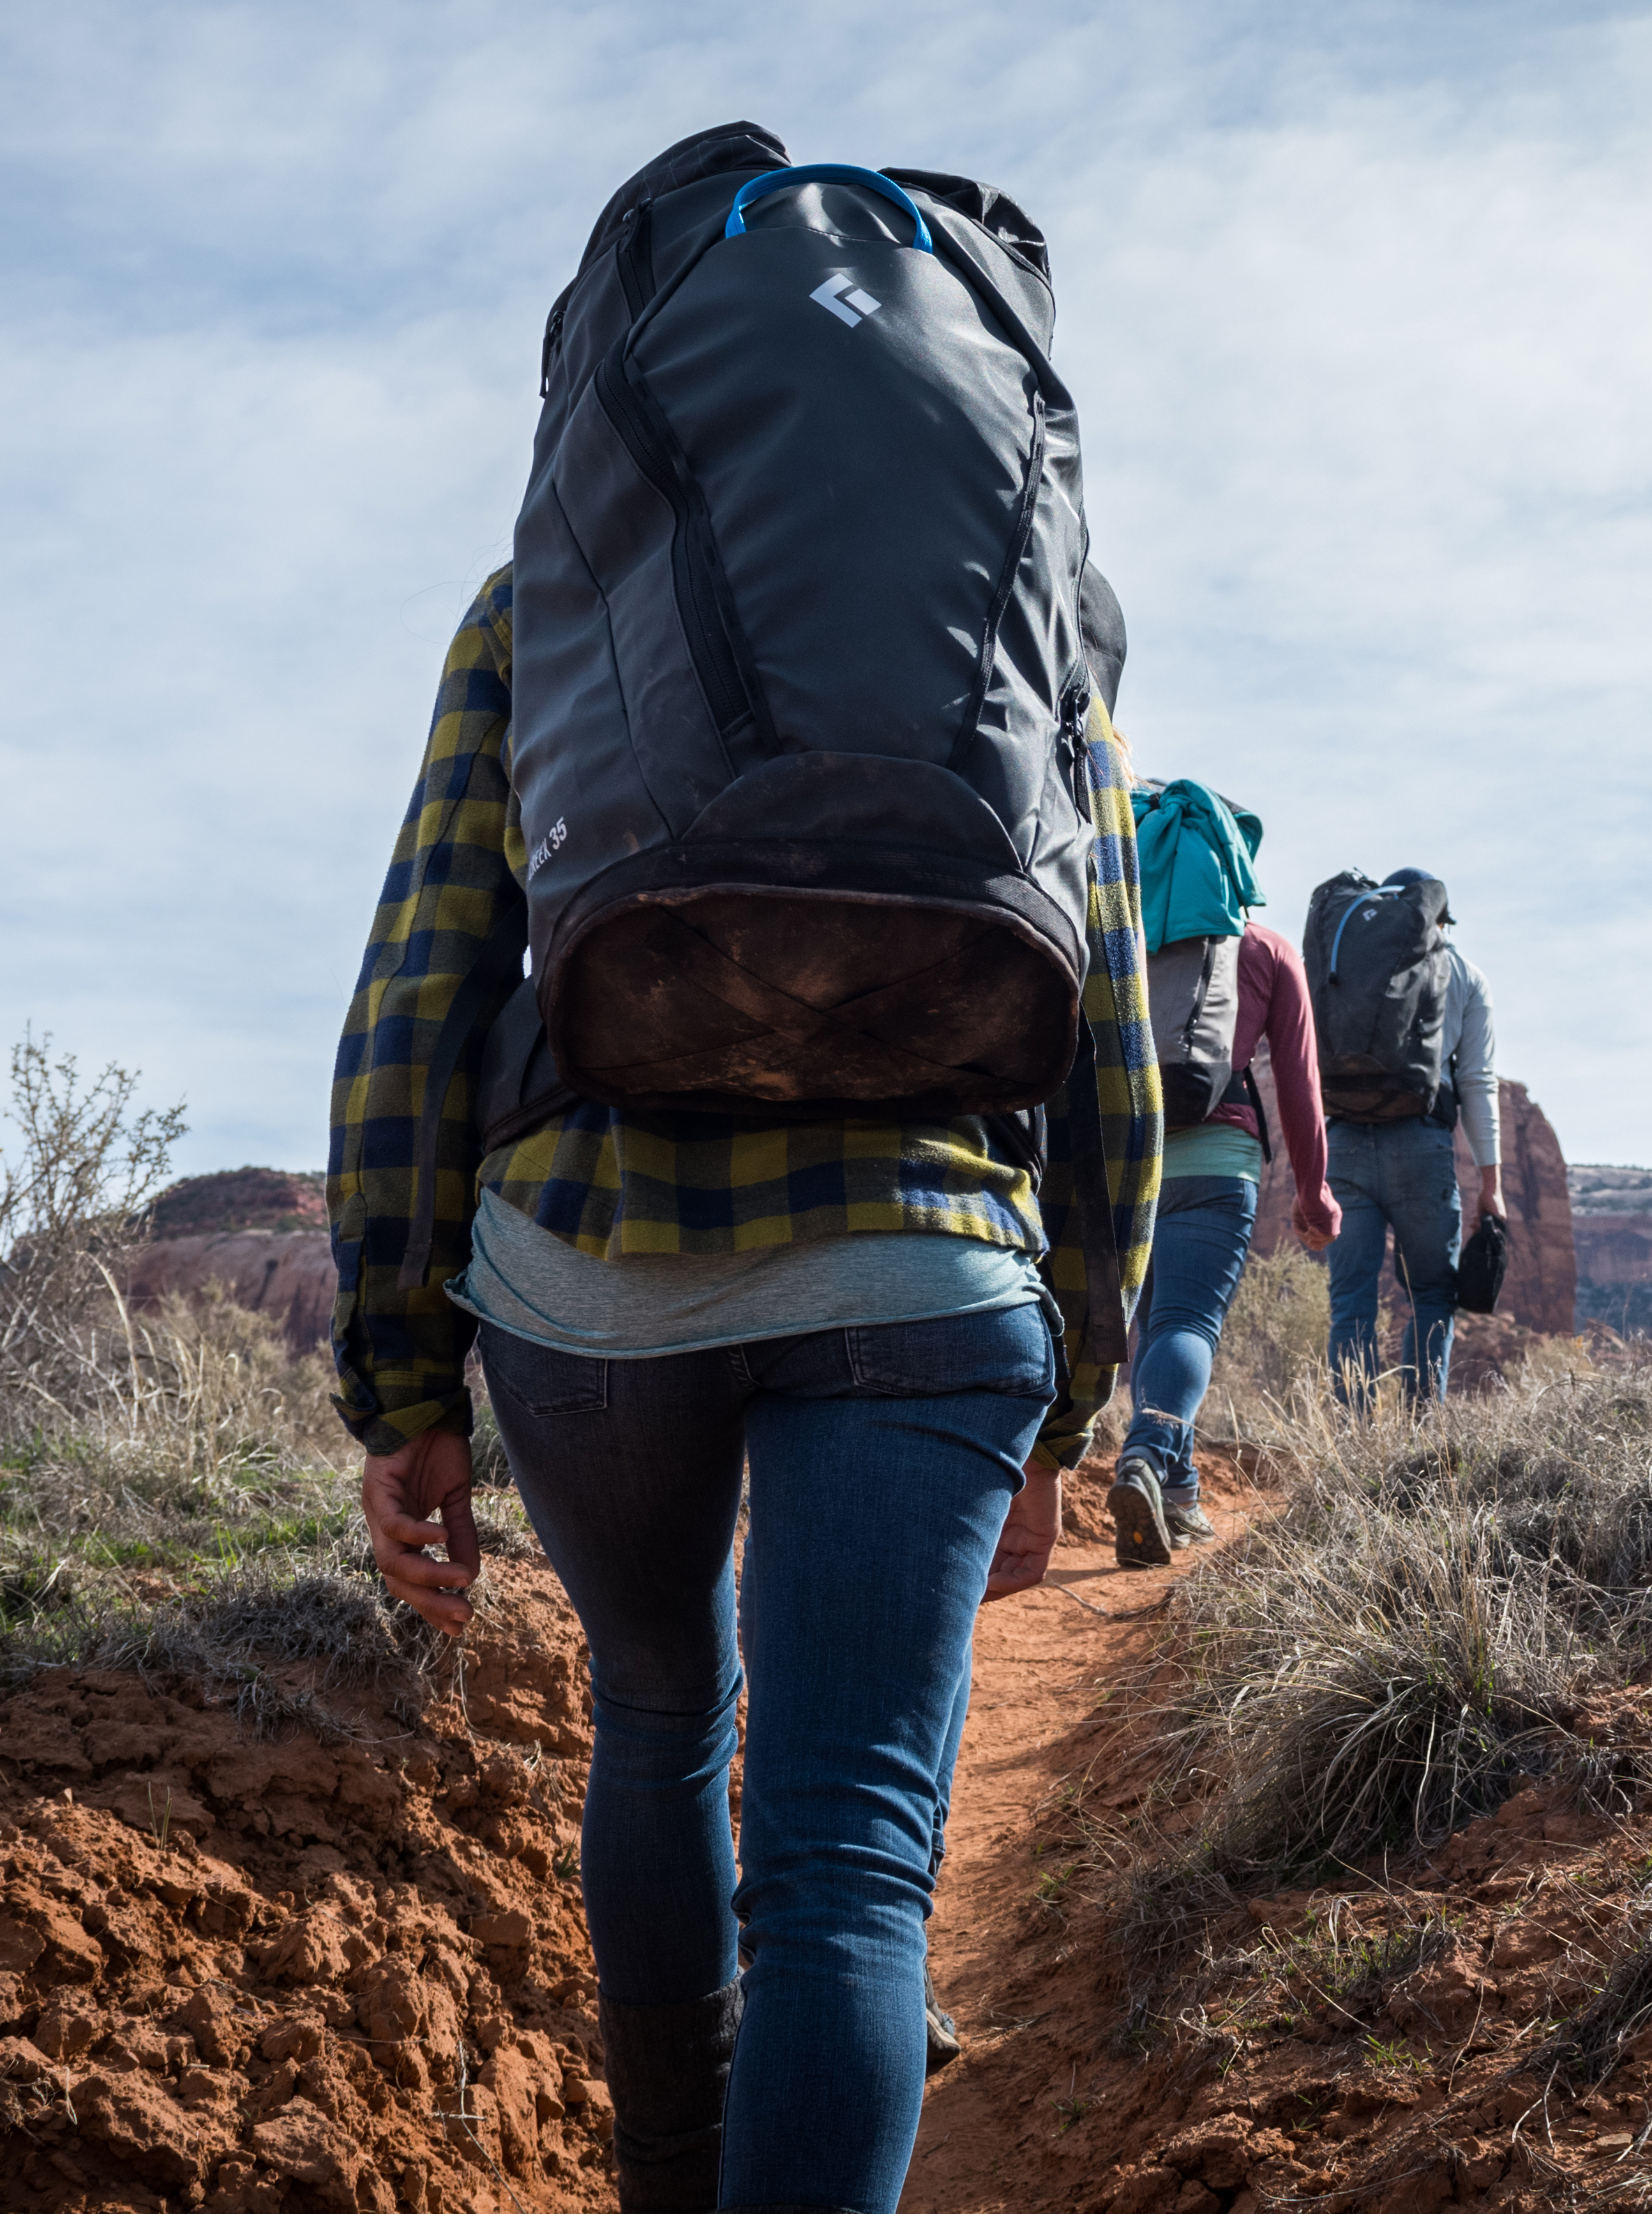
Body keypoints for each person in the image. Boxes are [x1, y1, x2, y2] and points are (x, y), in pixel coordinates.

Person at [331, 124, 1154, 2214]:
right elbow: (1113, 1057)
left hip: (589, 1277)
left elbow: (425, 983)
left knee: (657, 1720)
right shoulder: (1045, 620)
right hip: (930, 1276)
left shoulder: (536, 600)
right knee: (852, 1868)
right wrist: (1073, 1398)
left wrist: (401, 1385)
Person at [1111, 780, 1339, 1568]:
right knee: (1186, 1324)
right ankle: (1148, 1448)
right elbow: (1303, 1089)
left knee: (1150, 1327)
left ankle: (1178, 1498)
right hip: (1219, 1158)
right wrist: (1316, 1196)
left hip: (1125, 1158)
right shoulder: (1266, 949)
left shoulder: (1120, 933)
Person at [1316, 865, 1500, 1417]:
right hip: (1420, 1146)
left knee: (1351, 1302)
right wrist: (1492, 1183)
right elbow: (1475, 1081)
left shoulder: (1341, 963)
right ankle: (1420, 1437)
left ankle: (1354, 1440)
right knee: (1431, 1295)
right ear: (1437, 918)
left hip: (1343, 1140)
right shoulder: (1463, 972)